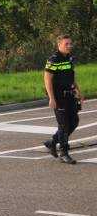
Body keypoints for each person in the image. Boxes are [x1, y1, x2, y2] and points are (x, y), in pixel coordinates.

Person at [43, 34, 82, 165]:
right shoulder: (54, 59)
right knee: (64, 125)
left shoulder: (69, 58)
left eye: (70, 43)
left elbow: (72, 76)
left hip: (69, 94)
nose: (69, 46)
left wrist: (78, 91)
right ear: (59, 45)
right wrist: (51, 98)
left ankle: (53, 142)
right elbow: (47, 79)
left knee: (74, 121)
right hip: (58, 96)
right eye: (67, 44)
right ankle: (64, 153)